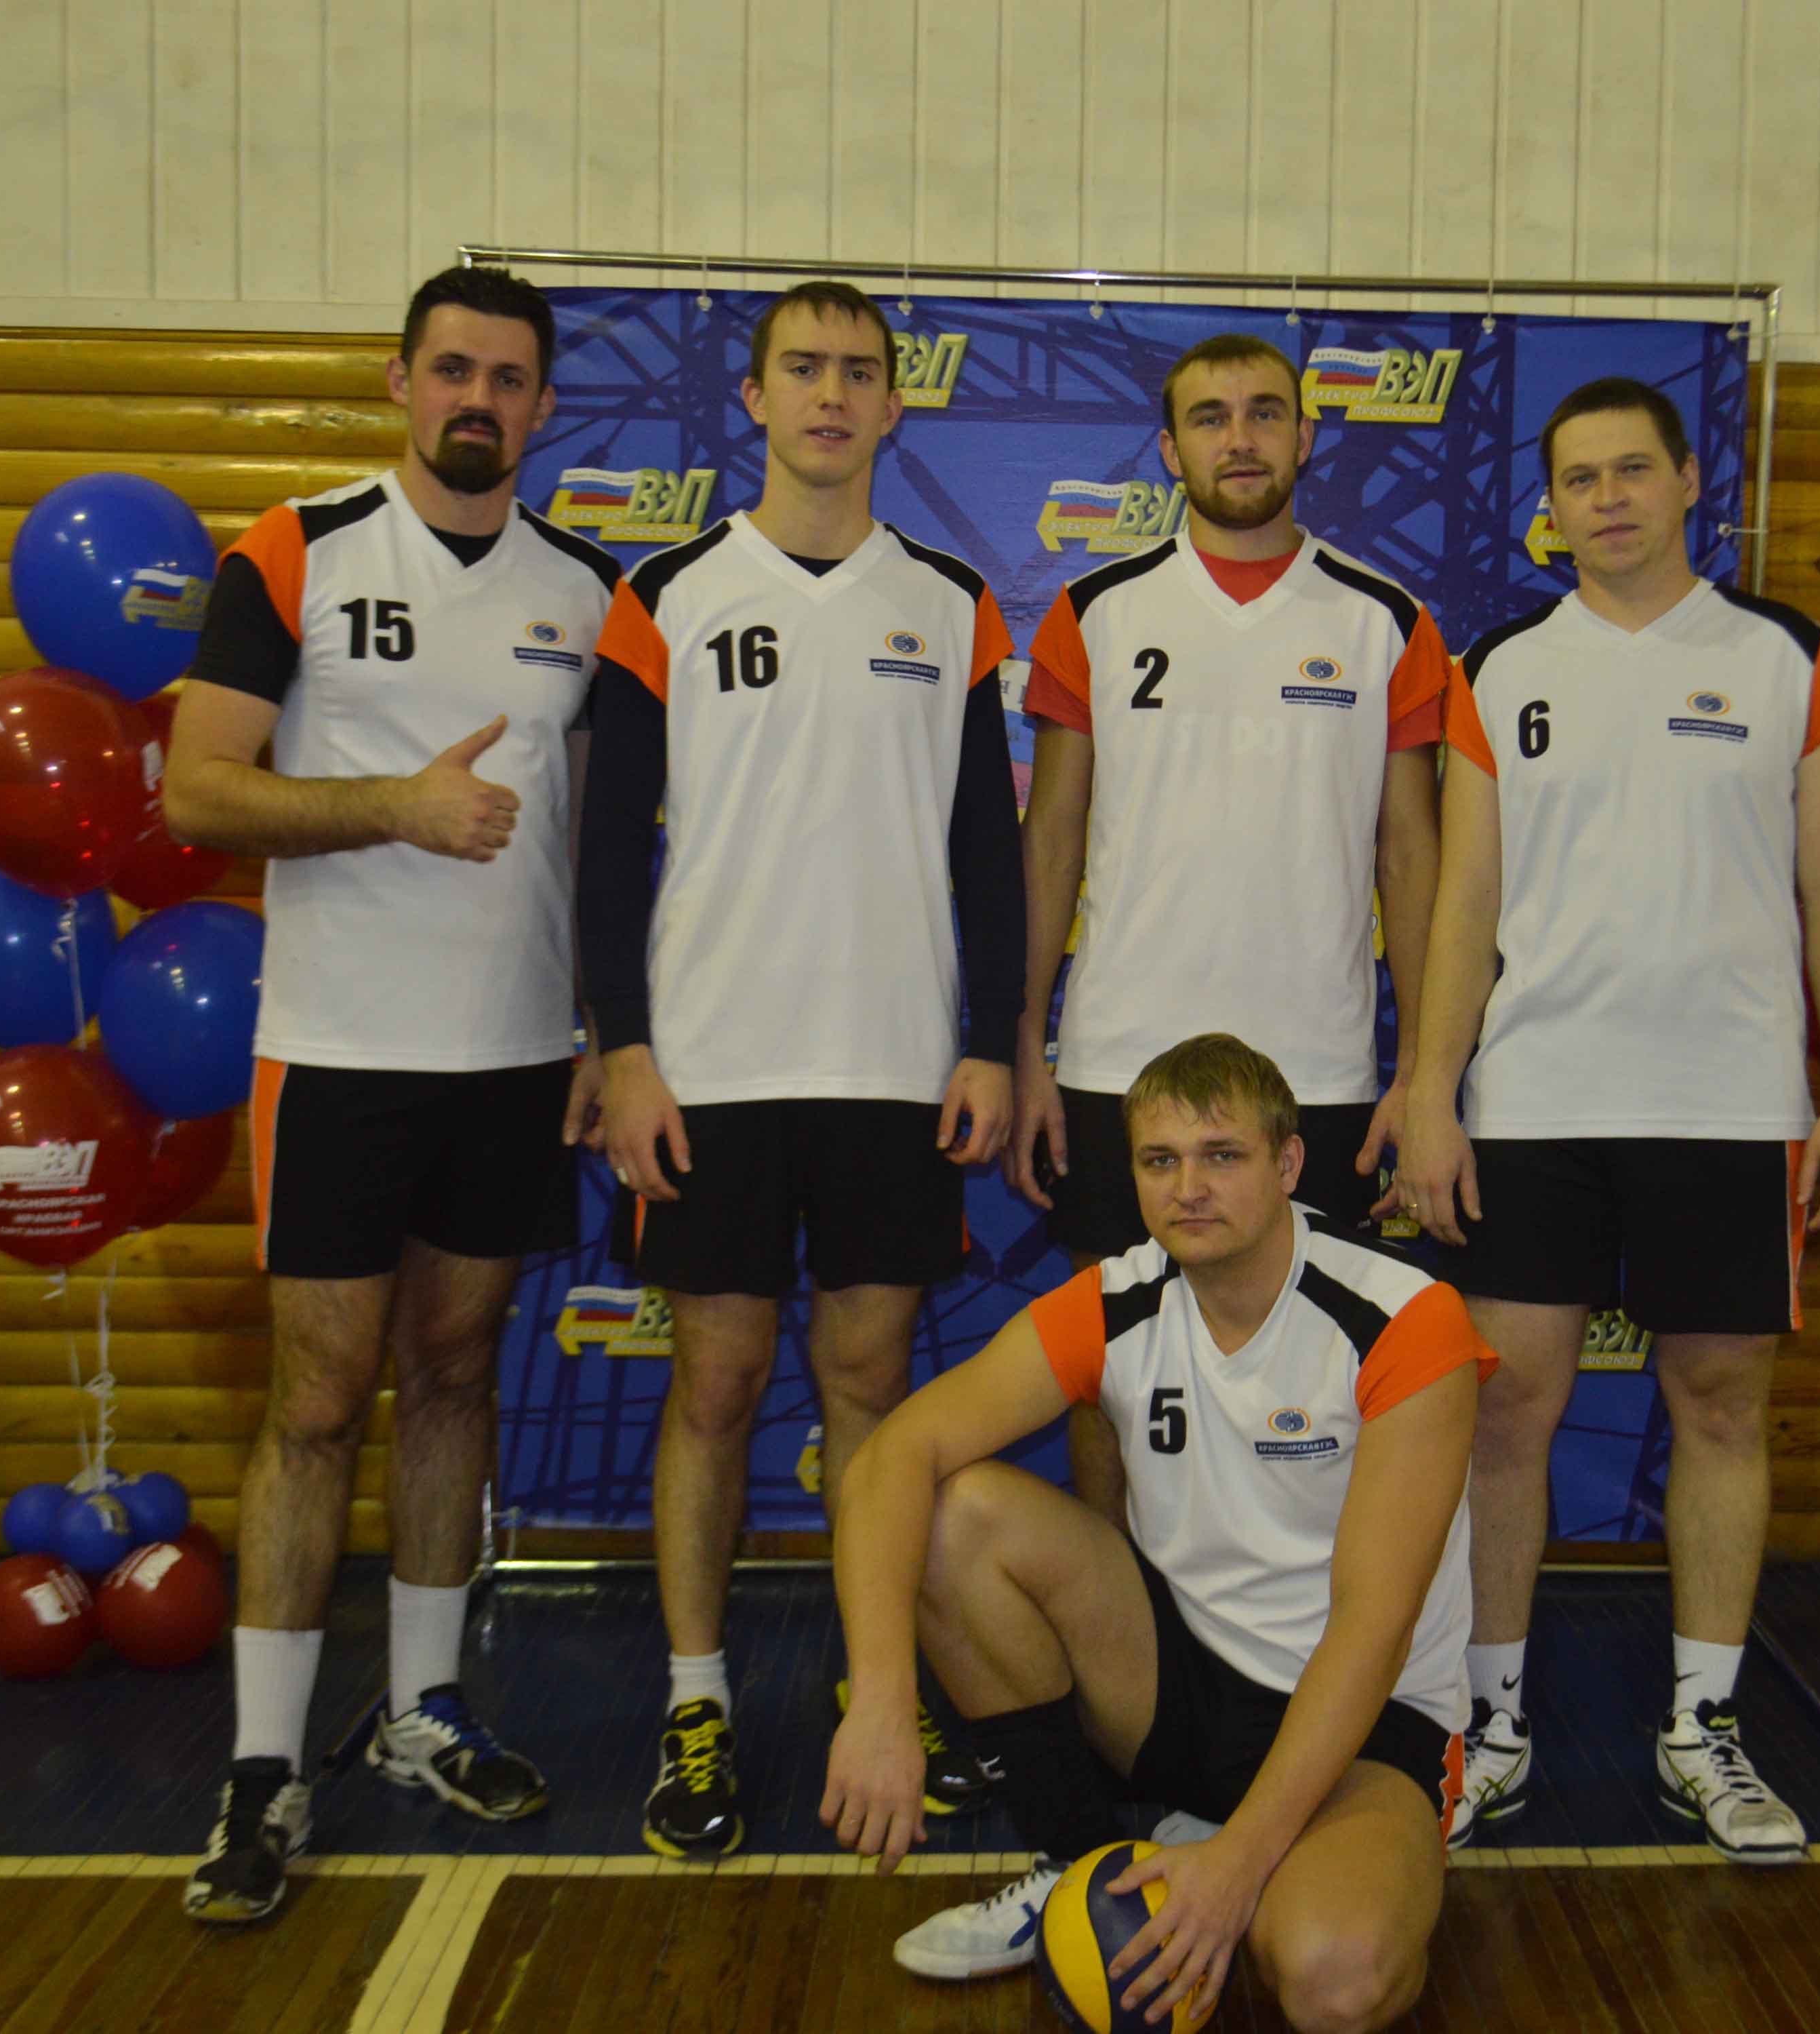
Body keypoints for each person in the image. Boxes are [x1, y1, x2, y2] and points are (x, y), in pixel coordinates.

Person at [161, 265, 620, 1922]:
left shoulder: (588, 588)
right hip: (339, 1055)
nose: (476, 399)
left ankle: (424, 1710)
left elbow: (593, 836)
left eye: (507, 377)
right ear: (400, 383)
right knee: (313, 1402)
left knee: (451, 1377)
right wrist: (395, 809)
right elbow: (198, 791)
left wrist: (600, 1027)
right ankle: (260, 1768)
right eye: (451, 370)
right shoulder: (292, 551)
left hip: (511, 1057)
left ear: (543, 405)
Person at [1393, 376, 1820, 1865]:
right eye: (1578, 479)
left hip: (1731, 1107)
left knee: (1721, 1406)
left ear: (1687, 485)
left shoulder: (1790, 657)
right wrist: (1432, 1092)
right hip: (1536, 1103)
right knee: (1506, 1415)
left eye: (1631, 470)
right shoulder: (1501, 667)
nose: (1606, 499)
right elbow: (1465, 902)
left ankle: (1704, 1729)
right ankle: (1491, 1725)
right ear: (1551, 509)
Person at [578, 280, 1026, 1859]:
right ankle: (695, 1702)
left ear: (896, 405)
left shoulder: (953, 603)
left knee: (869, 1395)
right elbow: (605, 848)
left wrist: (991, 1041)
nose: (831, 395)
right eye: (803, 369)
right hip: (710, 1070)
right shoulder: (669, 592)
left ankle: (874, 1689)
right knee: (712, 1386)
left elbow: (988, 851)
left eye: (858, 372)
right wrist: (625, 1051)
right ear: (754, 398)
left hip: (894, 1073)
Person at [826, 1033, 1489, 2033]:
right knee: (954, 1516)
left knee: (1334, 1981)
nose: (1190, 1189)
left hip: (1366, 1722)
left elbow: (1373, 1627)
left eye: (1223, 1155)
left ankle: (1259, 1855)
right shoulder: (1120, 1299)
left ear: (1288, 1165)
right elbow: (890, 1458)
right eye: (1160, 1160)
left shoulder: (1404, 1320)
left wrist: (1240, 1865)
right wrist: (882, 1698)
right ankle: (1079, 1867)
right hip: (1179, 1680)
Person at [1009, 332, 1449, 1526]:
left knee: (1306, 1382)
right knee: (1113, 1376)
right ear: (1170, 448)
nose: (1240, 438)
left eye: (1264, 413)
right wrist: (1024, 1046)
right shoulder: (1095, 612)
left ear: (1307, 436)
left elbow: (1413, 859)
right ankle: (1123, 1631)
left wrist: (1423, 1071)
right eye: (1211, 417)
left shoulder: (1385, 619)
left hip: (1316, 1071)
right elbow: (1050, 843)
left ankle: (1287, 1627)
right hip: (1119, 1063)